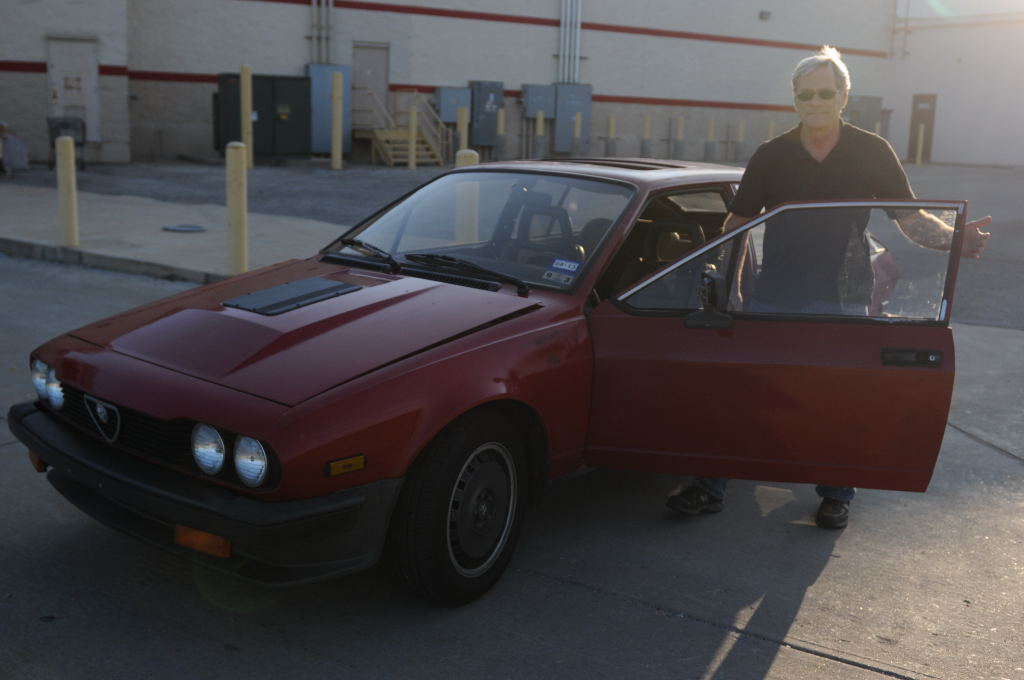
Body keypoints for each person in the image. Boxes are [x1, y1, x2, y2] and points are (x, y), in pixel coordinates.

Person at [666, 45, 991, 529]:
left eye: (825, 92)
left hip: (844, 294)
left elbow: (908, 218)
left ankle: (837, 493)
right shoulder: (772, 155)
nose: (815, 102)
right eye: (806, 94)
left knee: (840, 398)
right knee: (745, 391)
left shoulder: (871, 151)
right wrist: (729, 294)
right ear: (794, 99)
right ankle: (709, 486)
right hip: (776, 293)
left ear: (843, 96)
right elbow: (736, 229)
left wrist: (954, 239)